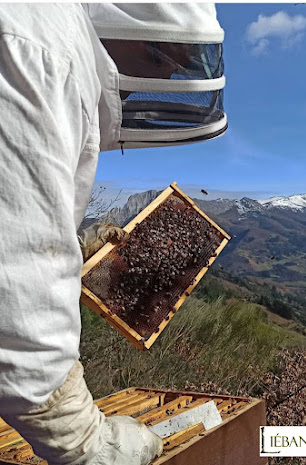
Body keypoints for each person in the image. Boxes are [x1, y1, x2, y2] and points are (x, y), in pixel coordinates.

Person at [0, 4, 225, 465]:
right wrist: (84, 441)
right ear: (137, 34)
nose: (159, 79)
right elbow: (15, 290)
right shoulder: (44, 50)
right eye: (161, 60)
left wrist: (77, 246)